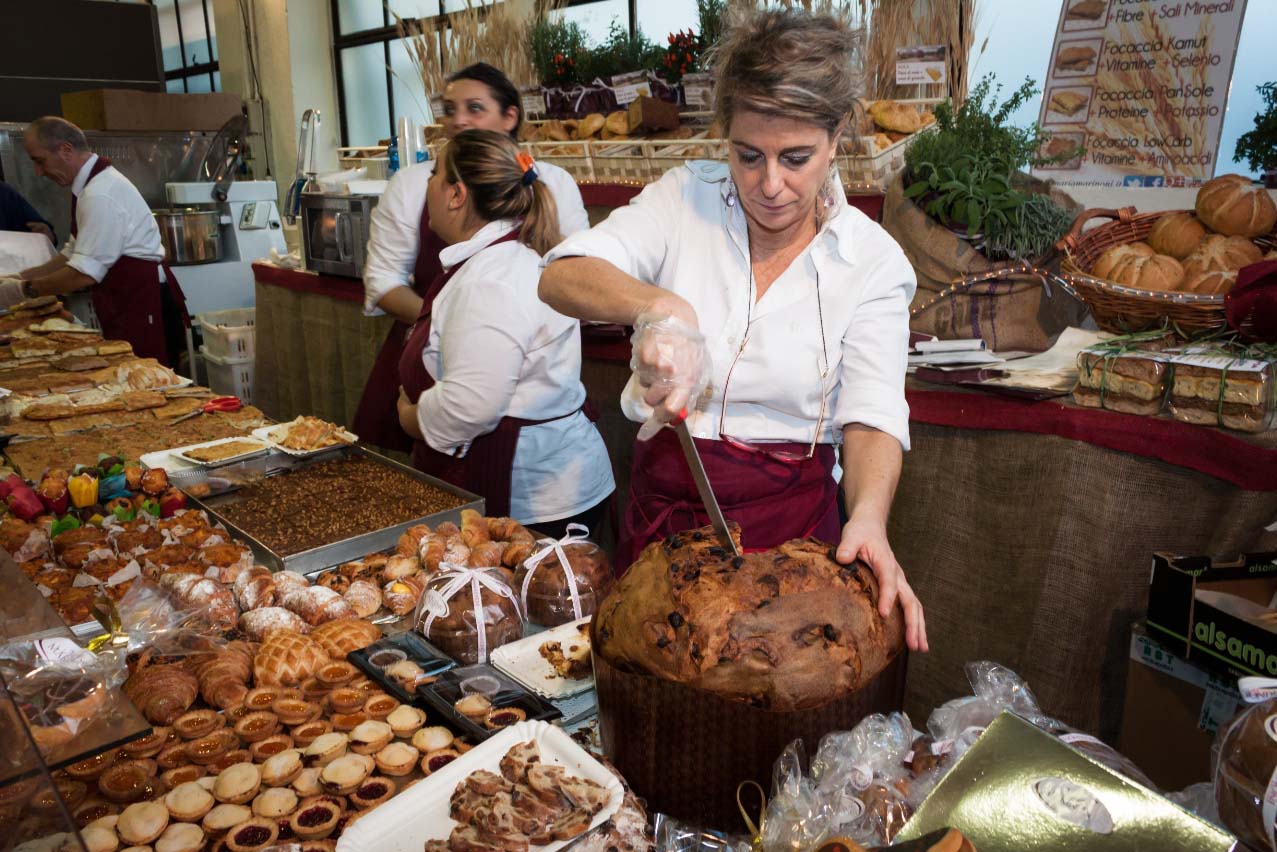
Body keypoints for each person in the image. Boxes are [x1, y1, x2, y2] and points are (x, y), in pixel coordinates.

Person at [539, 8, 927, 650]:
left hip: (792, 539)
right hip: (664, 527)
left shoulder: (873, 261)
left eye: (796, 158)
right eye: (749, 156)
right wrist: (659, 305)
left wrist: (870, 518)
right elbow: (561, 276)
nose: (770, 185)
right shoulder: (683, 198)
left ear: (836, 139)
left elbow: (873, 414)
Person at [356, 62, 590, 452]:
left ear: (509, 117)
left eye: (475, 108)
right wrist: (452, 329)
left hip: (509, 410)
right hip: (430, 377)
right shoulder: (414, 183)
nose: (460, 120)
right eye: (450, 109)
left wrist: (472, 329)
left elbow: (578, 280)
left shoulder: (548, 185)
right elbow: (383, 283)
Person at [395, 129, 613, 535]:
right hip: (549, 486)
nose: (427, 184)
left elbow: (471, 406)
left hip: (533, 502)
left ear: (457, 195)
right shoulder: (503, 257)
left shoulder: (490, 280)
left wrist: (411, 418)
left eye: (434, 173)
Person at [1, 117, 188, 366]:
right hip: (126, 299)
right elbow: (72, 251)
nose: (38, 171)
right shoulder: (89, 187)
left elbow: (83, 274)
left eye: (39, 161)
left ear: (66, 150)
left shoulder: (100, 194)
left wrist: (24, 290)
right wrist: (19, 277)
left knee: (148, 381)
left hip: (143, 301)